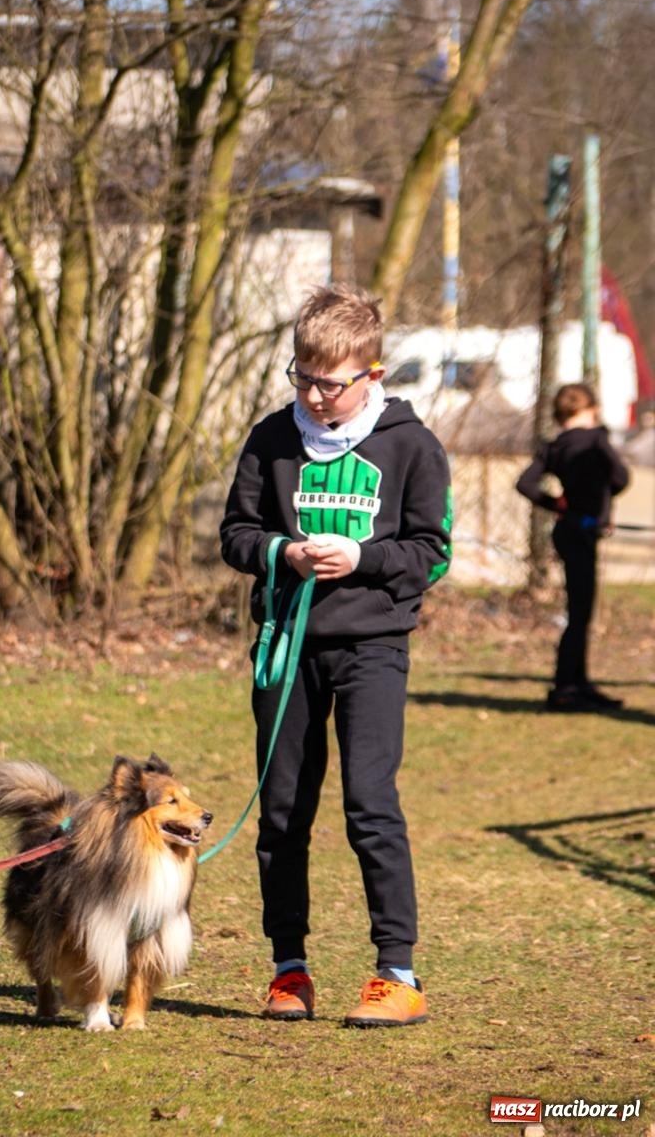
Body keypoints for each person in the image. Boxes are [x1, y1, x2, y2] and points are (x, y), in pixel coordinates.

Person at [220, 284, 452, 1027]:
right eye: (303, 377)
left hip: (372, 648)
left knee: (370, 807)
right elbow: (235, 534)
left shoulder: (411, 444)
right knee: (283, 813)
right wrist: (283, 551)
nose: (315, 395)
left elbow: (430, 552)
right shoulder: (270, 439)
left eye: (331, 382)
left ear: (371, 374)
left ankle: (397, 971)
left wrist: (362, 557)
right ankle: (289, 968)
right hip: (287, 646)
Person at [515, 382, 629, 712]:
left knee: (577, 610)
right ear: (590, 409)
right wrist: (600, 505)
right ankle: (567, 685)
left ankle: (578, 681)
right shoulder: (596, 440)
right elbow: (621, 477)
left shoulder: (553, 446)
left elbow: (525, 484)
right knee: (580, 614)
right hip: (583, 531)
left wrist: (557, 504)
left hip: (567, 529)